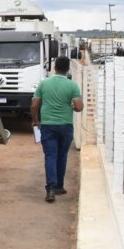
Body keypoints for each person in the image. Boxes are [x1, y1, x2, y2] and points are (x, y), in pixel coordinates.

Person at [31, 56, 84, 203]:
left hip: (48, 126)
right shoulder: (72, 86)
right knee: (62, 156)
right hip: (66, 126)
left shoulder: (44, 84)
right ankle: (59, 186)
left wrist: (35, 120)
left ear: (55, 67)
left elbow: (35, 105)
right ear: (67, 69)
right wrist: (72, 105)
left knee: (50, 156)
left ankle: (51, 189)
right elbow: (79, 107)